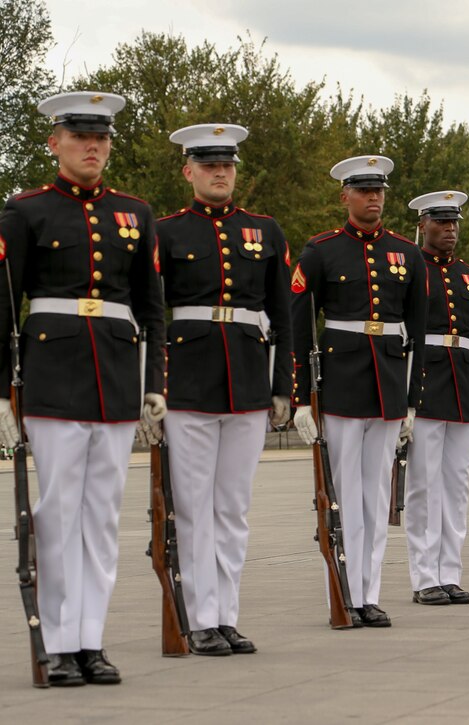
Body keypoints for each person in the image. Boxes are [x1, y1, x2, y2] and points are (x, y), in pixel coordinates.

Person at [0, 91, 165, 685]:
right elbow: (3, 301)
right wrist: (1, 391)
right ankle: (57, 640)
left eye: (101, 139)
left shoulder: (135, 213)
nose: (93, 147)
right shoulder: (26, 210)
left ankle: (90, 639)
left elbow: (150, 307)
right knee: (58, 509)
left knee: (100, 515)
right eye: (80, 137)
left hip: (116, 377)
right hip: (52, 376)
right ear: (55, 143)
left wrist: (153, 383)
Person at [157, 123, 293, 654]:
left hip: (248, 381)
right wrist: (156, 385)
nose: (219, 173)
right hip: (189, 382)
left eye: (227, 165)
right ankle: (198, 617)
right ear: (188, 170)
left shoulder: (265, 231)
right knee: (192, 506)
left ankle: (226, 614)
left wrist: (283, 387)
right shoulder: (166, 232)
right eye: (209, 165)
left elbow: (281, 315)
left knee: (232, 507)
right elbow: (151, 312)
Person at [291, 155, 426, 627]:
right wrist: (300, 394)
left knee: (376, 499)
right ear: (344, 195)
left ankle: (369, 593)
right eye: (364, 190)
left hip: (388, 382)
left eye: (379, 191)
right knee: (345, 494)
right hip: (342, 381)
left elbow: (418, 329)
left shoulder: (406, 254)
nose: (373, 198)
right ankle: (344, 590)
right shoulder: (321, 251)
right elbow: (300, 323)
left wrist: (412, 399)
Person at [403, 190, 469, 605]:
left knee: (457, 487)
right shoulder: (408, 269)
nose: (449, 230)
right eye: (441, 222)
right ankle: (425, 576)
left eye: (454, 223)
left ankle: (450, 572)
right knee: (424, 487)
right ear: (422, 225)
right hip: (425, 388)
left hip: (465, 390)